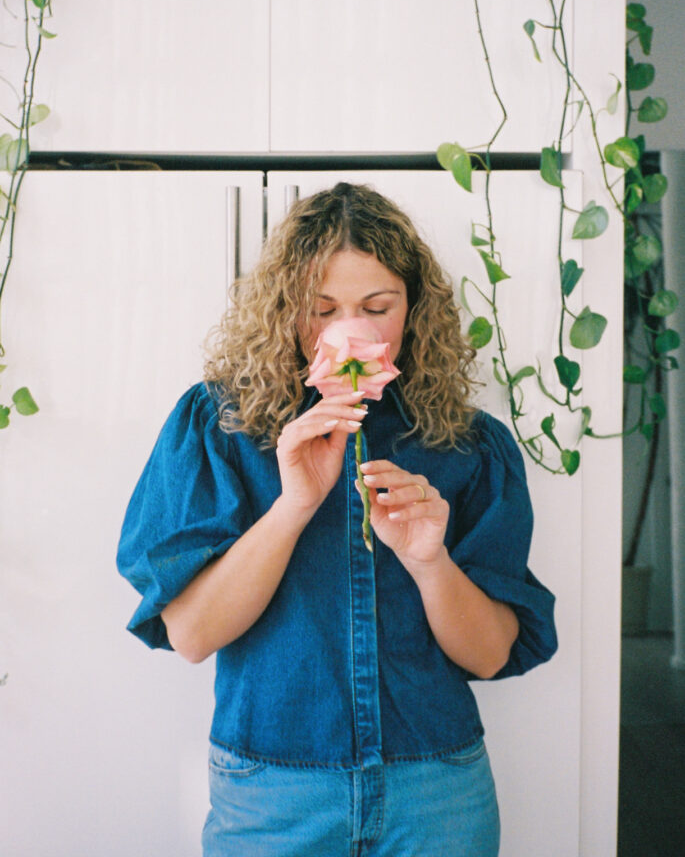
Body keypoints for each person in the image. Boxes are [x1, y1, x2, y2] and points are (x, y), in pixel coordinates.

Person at [117, 181, 557, 857]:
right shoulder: (218, 426)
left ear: (412, 309)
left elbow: (491, 652)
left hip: (435, 787)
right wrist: (293, 506)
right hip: (272, 788)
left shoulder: (466, 443)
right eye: (320, 311)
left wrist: (428, 559)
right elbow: (192, 634)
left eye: (375, 308)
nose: (347, 330)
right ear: (285, 313)